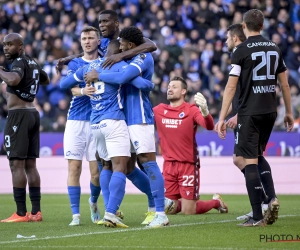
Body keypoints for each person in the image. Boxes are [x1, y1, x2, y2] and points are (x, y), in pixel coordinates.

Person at [61, 39, 154, 228]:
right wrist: (152, 84)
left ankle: (107, 211)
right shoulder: (120, 65)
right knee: (120, 166)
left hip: (95, 125)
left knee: (106, 166)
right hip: (113, 121)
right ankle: (111, 212)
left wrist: (81, 86)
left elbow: (64, 84)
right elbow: (143, 85)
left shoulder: (89, 67)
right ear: (120, 50)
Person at [84, 26, 169, 228]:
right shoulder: (127, 57)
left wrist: (99, 75)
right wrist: (142, 82)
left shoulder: (143, 57)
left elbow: (123, 78)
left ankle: (160, 212)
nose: (120, 47)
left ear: (130, 45)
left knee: (148, 162)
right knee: (128, 167)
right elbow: (138, 82)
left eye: (122, 44)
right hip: (123, 118)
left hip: (139, 115)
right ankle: (154, 200)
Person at [217, 9, 294, 227]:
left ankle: (258, 215)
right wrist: (289, 112)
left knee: (248, 160)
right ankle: (269, 200)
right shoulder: (274, 47)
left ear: (244, 26)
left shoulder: (240, 50)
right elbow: (285, 84)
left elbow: (231, 85)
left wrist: (222, 117)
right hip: (270, 111)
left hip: (250, 112)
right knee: (256, 156)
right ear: (262, 25)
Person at [215, 24, 269, 221]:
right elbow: (238, 94)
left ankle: (265, 203)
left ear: (236, 38)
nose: (226, 42)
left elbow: (245, 91)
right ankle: (265, 200)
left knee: (249, 157)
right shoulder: (248, 55)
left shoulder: (241, 55)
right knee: (242, 158)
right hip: (251, 112)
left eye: (228, 38)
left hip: (249, 115)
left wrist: (237, 115)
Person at [152, 76, 228, 216]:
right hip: (168, 165)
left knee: (188, 211)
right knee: (170, 209)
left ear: (183, 91)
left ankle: (216, 202)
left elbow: (209, 126)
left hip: (188, 165)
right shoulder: (159, 110)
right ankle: (183, 203)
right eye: (169, 86)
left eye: (174, 86)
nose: (170, 89)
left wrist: (205, 112)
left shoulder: (191, 110)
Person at [0, 33, 50, 222]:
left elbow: (13, 80)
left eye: (10, 44)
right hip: (32, 114)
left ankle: (21, 213)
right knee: (30, 165)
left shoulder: (19, 62)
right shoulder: (32, 62)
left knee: (16, 164)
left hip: (18, 116)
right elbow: (44, 79)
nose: (6, 48)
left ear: (20, 46)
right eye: (4, 45)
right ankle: (36, 212)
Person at [59, 26, 101, 226]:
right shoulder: (75, 63)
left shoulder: (104, 62)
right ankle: (75, 215)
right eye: (84, 38)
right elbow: (68, 86)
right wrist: (84, 92)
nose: (87, 41)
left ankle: (93, 201)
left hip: (97, 120)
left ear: (98, 41)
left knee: (96, 173)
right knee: (74, 167)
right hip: (76, 120)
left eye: (91, 38)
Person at [55, 10, 157, 72]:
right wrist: (65, 59)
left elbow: (151, 45)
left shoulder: (127, 36)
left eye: (105, 21)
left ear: (116, 23)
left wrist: (121, 55)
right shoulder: (103, 42)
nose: (101, 25)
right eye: (100, 22)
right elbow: (84, 55)